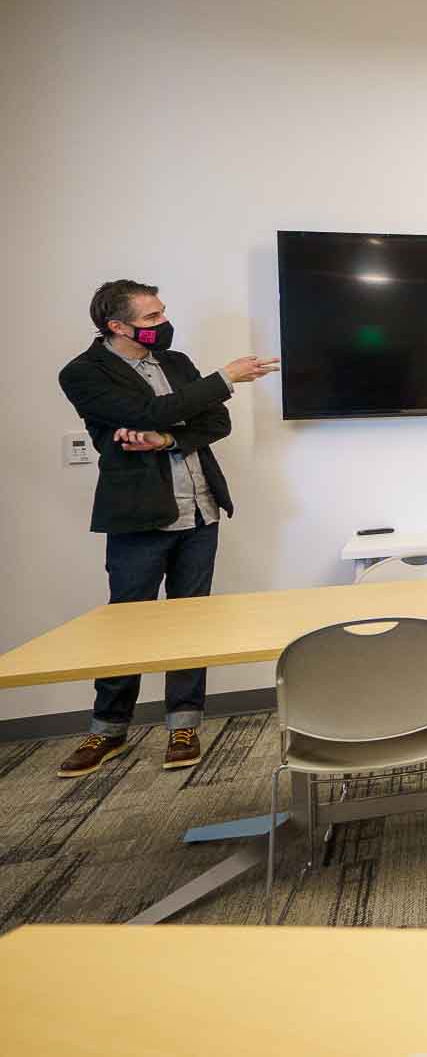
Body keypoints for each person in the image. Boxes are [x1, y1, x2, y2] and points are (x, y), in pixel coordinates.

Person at [53, 280, 278, 778]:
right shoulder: (83, 374)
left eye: (161, 314)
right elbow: (144, 411)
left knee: (191, 621)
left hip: (200, 511)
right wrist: (224, 377)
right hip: (138, 515)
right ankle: (108, 729)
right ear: (117, 326)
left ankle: (184, 723)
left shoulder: (176, 364)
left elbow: (216, 423)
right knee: (127, 624)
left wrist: (165, 440)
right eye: (151, 318)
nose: (163, 323)